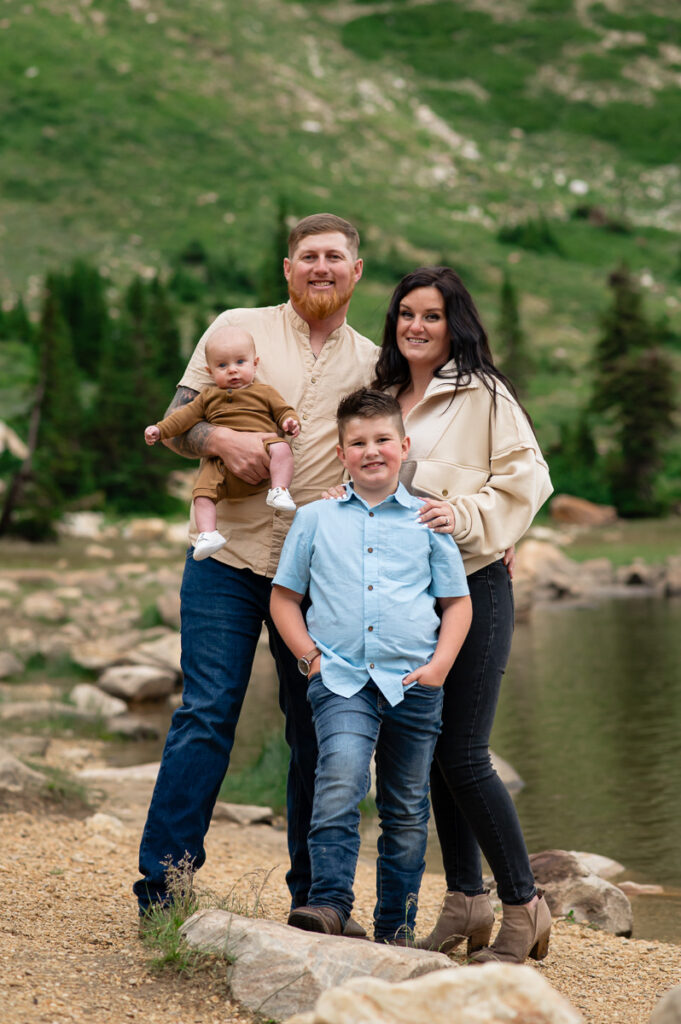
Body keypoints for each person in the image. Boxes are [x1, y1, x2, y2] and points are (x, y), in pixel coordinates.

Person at [133, 214, 378, 927]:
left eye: (335, 256)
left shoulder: (373, 362)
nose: (322, 267)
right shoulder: (236, 328)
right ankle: (164, 890)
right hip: (228, 555)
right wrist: (221, 440)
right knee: (206, 713)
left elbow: (388, 455)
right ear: (288, 268)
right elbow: (179, 419)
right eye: (309, 256)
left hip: (318, 573)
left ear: (356, 271)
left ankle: (315, 901)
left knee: (315, 729)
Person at [371, 266, 554, 963]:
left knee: (464, 753)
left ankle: (524, 906)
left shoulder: (483, 393)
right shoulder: (384, 394)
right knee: (430, 754)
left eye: (432, 315)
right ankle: (465, 901)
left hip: (474, 583)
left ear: (456, 326)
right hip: (407, 595)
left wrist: (469, 516)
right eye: (406, 313)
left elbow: (528, 479)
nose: (416, 326)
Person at [270, 389, 472, 943]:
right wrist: (310, 658)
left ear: (404, 446)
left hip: (414, 682)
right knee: (339, 779)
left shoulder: (429, 521)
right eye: (357, 443)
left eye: (383, 439)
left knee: (406, 809)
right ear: (341, 454)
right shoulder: (314, 518)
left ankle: (395, 929)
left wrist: (439, 667)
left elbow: (457, 603)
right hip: (340, 680)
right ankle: (330, 903)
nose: (371, 451)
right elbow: (284, 598)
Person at [144, 325, 301, 561]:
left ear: (255, 364)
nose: (232, 370)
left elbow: (283, 411)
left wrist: (290, 422)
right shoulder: (208, 397)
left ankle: (279, 489)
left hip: (263, 452)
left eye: (240, 362)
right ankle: (208, 534)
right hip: (219, 464)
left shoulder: (265, 392)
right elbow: (182, 418)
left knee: (281, 447)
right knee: (201, 494)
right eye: (222, 365)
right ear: (209, 372)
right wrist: (160, 429)